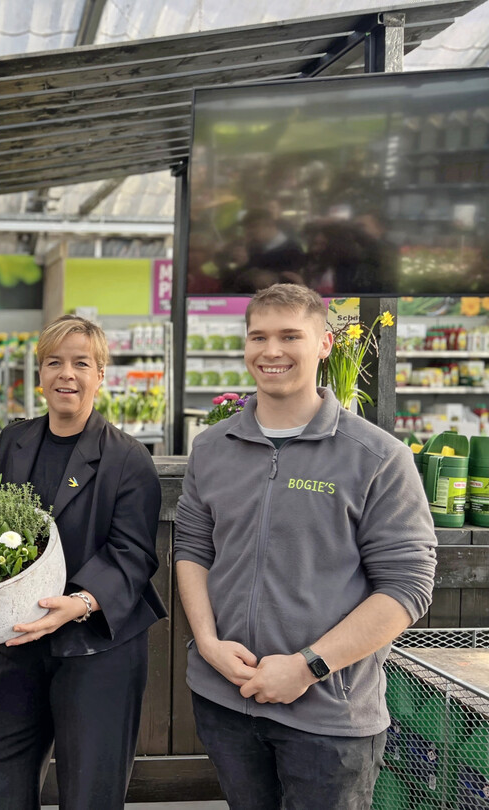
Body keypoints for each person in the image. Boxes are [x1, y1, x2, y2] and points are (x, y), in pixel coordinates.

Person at [174, 283, 437, 810]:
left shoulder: (378, 457)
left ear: (323, 344)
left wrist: (308, 666)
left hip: (328, 717)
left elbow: (408, 585)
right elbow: (193, 548)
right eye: (258, 337)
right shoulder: (211, 448)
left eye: (290, 335)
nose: (271, 351)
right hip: (224, 699)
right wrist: (207, 642)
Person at [0, 314, 166, 810]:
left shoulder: (128, 459)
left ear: (101, 375)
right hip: (23, 636)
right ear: (39, 375)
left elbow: (134, 554)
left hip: (97, 644)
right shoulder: (15, 440)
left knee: (88, 792)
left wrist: (80, 602)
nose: (66, 375)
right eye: (54, 362)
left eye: (80, 363)